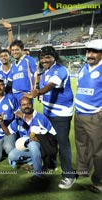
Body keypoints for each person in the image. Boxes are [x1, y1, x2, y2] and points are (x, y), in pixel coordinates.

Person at [27, 46, 77, 189]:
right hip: (48, 112)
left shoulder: (59, 70)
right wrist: (38, 85)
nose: (44, 60)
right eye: (42, 58)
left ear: (54, 57)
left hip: (60, 114)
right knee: (49, 141)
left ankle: (69, 176)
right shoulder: (46, 71)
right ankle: (51, 165)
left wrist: (38, 91)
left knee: (63, 144)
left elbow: (51, 85)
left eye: (47, 57)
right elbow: (43, 88)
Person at [6, 97, 57, 182]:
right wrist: (0, 122)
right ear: (20, 107)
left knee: (32, 144)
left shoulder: (41, 118)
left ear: (32, 104)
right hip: (25, 146)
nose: (26, 106)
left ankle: (38, 174)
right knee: (12, 155)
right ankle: (34, 161)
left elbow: (53, 133)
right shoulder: (19, 119)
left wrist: (40, 139)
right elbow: (8, 132)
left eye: (28, 104)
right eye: (23, 105)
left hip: (40, 146)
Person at [74, 39, 102, 193]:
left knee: (98, 151)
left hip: (94, 117)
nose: (90, 54)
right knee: (81, 145)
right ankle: (82, 169)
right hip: (79, 114)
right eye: (88, 51)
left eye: (94, 52)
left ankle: (98, 181)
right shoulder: (84, 67)